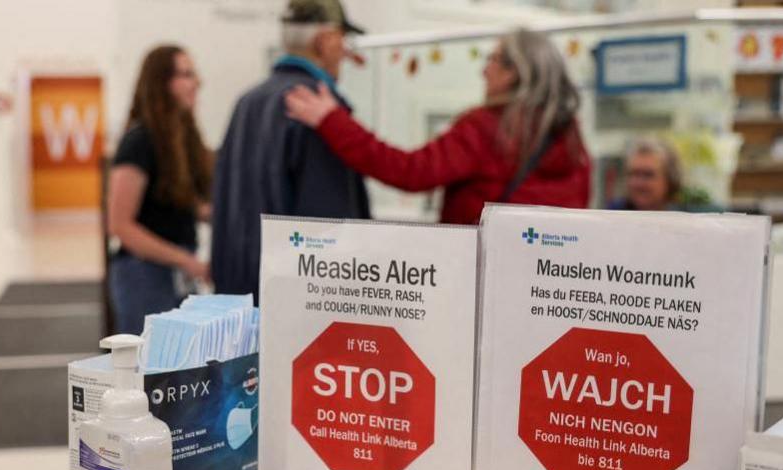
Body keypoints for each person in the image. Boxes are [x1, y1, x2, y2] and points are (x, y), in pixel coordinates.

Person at [284, 27, 591, 225]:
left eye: (493, 60)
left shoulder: (486, 128)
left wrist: (332, 121)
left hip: (488, 276)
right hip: (546, 282)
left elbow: (410, 171)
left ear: (513, 72)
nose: (484, 71)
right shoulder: (570, 136)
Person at [211, 0, 370, 301]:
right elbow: (328, 232)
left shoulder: (247, 102)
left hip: (237, 301)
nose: (345, 53)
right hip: (295, 309)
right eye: (342, 40)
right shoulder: (317, 111)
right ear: (324, 42)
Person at [107, 45, 213, 334]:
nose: (197, 83)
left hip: (174, 274)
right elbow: (120, 225)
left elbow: (182, 205)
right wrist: (186, 260)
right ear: (161, 83)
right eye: (187, 74)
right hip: (144, 276)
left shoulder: (181, 143)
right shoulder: (138, 142)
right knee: (149, 374)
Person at [609, 137, 717, 212]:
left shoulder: (686, 220)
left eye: (648, 175)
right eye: (633, 174)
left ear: (670, 180)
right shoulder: (612, 215)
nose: (638, 183)